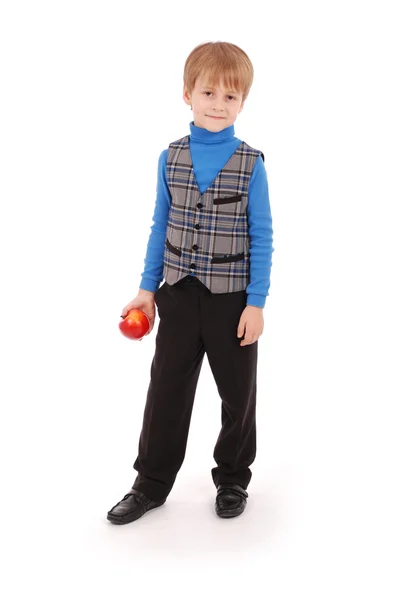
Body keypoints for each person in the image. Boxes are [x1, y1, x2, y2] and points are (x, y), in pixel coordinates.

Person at [107, 40, 274, 524]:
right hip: (176, 295)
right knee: (166, 390)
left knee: (237, 394)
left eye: (230, 97)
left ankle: (233, 479)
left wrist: (256, 302)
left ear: (242, 102)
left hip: (231, 302)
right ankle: (151, 483)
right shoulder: (170, 157)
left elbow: (262, 236)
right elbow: (161, 225)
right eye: (209, 93)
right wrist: (146, 288)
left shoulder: (251, 164)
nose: (218, 105)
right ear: (187, 95)